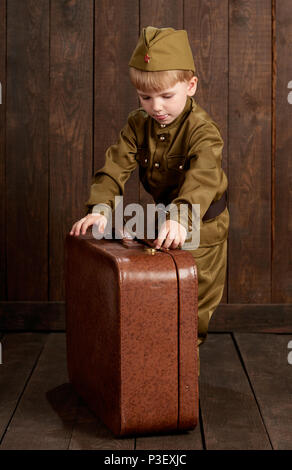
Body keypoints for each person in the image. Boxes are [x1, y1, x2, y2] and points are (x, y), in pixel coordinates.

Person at [70, 26, 229, 372]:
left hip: (201, 227)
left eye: (166, 96)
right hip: (163, 222)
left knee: (190, 308)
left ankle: (181, 385)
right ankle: (152, 380)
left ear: (191, 86)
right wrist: (100, 210)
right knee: (156, 301)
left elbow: (202, 181)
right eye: (144, 97)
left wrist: (181, 220)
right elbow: (114, 168)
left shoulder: (203, 131)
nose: (155, 108)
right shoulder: (137, 125)